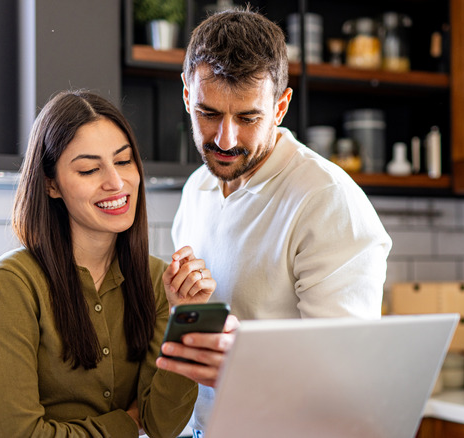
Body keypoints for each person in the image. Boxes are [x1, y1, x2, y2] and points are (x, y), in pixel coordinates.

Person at [155, 8, 392, 435]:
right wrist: (183, 307)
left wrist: (246, 365)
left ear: (280, 106)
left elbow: (349, 386)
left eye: (248, 118)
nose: (225, 140)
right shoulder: (197, 189)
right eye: (209, 113)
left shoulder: (326, 201)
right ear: (187, 95)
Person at [0, 90, 218, 438]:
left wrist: (186, 318)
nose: (116, 182)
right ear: (51, 185)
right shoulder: (15, 282)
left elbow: (163, 424)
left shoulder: (155, 279)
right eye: (90, 169)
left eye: (123, 161)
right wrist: (125, 423)